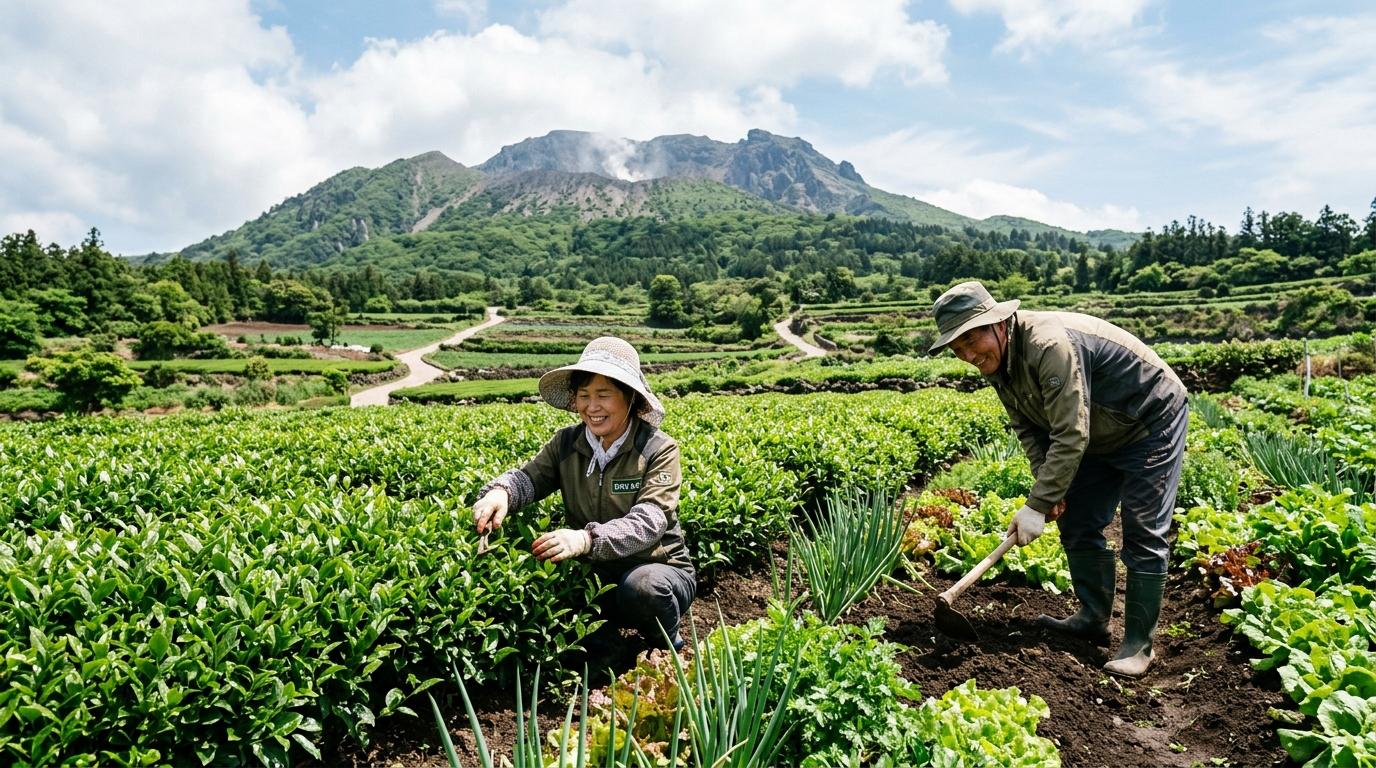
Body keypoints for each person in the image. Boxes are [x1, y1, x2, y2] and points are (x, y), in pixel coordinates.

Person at [929, 281, 1188, 677]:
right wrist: (1048, 492)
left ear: (997, 323)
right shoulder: (997, 362)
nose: (967, 356)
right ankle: (1093, 617)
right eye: (957, 349)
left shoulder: (1049, 345)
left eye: (970, 341)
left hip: (1148, 419)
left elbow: (1070, 433)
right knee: (1077, 518)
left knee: (1143, 528)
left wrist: (1034, 505)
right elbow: (1030, 429)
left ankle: (1138, 645)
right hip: (1095, 432)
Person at [472, 336, 695, 653]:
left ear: (629, 397)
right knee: (580, 630)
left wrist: (586, 539)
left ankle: (667, 645)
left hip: (658, 569)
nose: (592, 407)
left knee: (643, 588)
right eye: (584, 395)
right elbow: (529, 478)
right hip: (596, 572)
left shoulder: (658, 448)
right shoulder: (566, 443)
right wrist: (500, 493)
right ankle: (612, 648)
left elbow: (651, 521)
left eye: (604, 395)